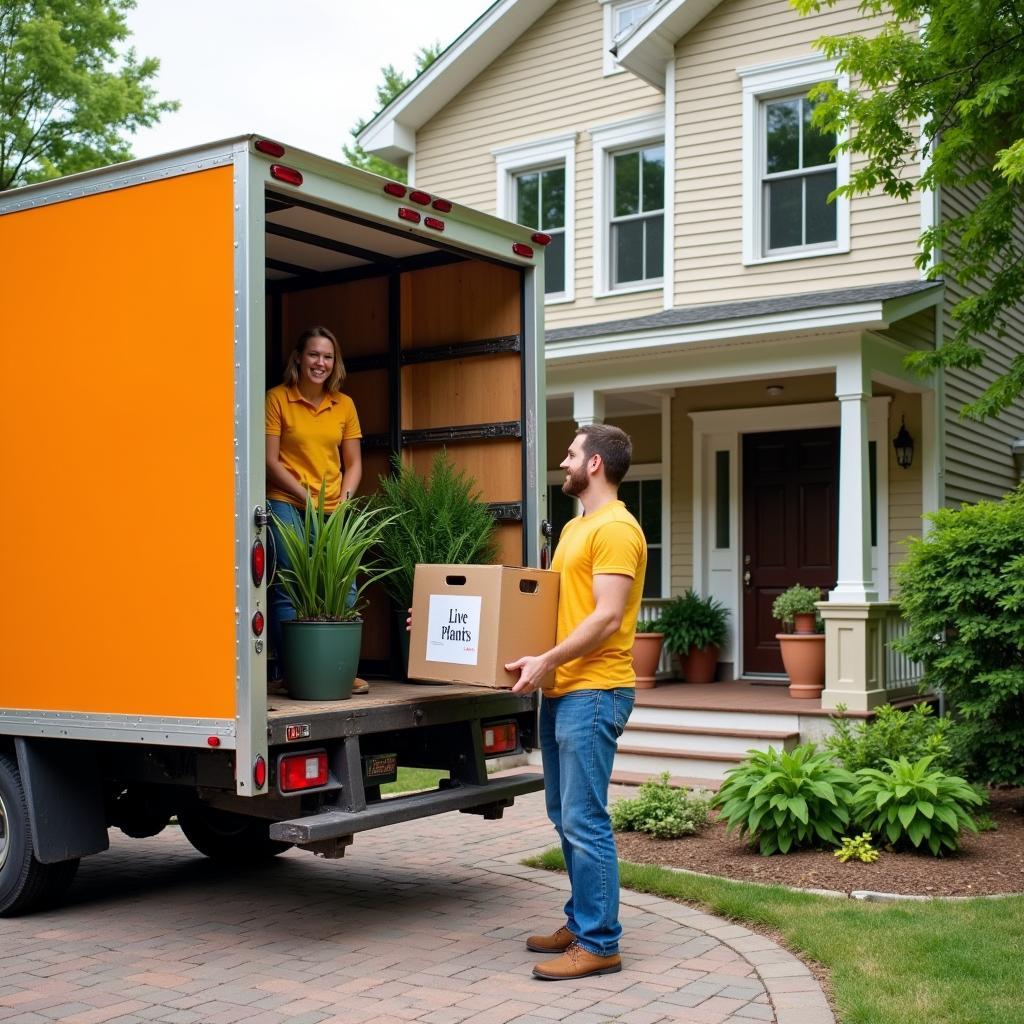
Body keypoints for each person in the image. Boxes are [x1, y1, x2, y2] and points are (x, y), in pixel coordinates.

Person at [506, 423, 647, 982]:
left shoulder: (615, 529)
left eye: (570, 454)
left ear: (594, 464)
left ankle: (600, 942)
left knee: (586, 820)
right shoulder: (575, 527)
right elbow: (551, 607)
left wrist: (548, 662)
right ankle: (583, 918)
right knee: (564, 816)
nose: (562, 462)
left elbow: (608, 616)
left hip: (594, 690)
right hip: (563, 689)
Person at [265, 326, 363, 688]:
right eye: (313, 355)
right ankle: (293, 670)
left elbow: (353, 463)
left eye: (327, 356)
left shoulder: (345, 405)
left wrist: (344, 503)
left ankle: (341, 670)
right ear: (298, 358)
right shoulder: (276, 399)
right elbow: (270, 461)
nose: (320, 363)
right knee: (290, 584)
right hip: (288, 501)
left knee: (344, 582)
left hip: (333, 508)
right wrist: (307, 499)